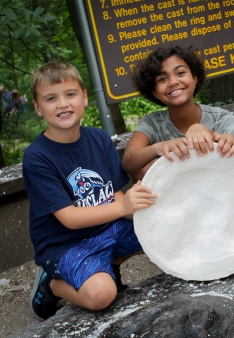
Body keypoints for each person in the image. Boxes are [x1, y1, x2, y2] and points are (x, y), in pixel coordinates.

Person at [22, 62, 157, 320]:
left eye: (70, 94)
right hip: (65, 244)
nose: (63, 104)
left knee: (165, 229)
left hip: (108, 228)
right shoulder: (37, 157)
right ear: (38, 108)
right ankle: (51, 285)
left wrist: (140, 205)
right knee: (102, 295)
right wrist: (122, 207)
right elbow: (69, 218)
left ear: (84, 97)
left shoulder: (99, 139)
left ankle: (107, 263)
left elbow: (114, 195)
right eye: (51, 98)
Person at [122, 46, 234, 181]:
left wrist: (203, 132)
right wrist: (158, 148)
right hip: (173, 197)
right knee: (142, 168)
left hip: (220, 189)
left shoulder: (222, 119)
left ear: (194, 78)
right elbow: (128, 162)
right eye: (162, 79)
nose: (173, 82)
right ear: (154, 92)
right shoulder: (152, 123)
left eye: (180, 73)